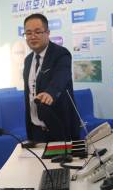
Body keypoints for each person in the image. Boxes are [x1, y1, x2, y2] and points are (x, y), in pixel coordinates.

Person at [22, 13, 80, 142]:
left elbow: (62, 76)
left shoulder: (61, 54)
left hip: (60, 130)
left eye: (38, 32)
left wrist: (50, 92)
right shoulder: (28, 60)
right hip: (36, 131)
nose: (32, 36)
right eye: (28, 33)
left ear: (47, 33)